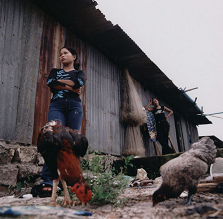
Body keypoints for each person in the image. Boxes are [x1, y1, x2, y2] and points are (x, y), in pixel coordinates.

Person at [32, 46, 86, 197]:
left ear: (73, 56)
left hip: (74, 107)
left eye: (65, 53)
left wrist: (64, 84)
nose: (62, 56)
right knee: (52, 139)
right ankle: (48, 181)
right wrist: (71, 86)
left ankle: (72, 181)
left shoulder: (79, 72)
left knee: (72, 142)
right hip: (57, 105)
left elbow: (78, 83)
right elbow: (51, 82)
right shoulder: (55, 71)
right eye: (60, 54)